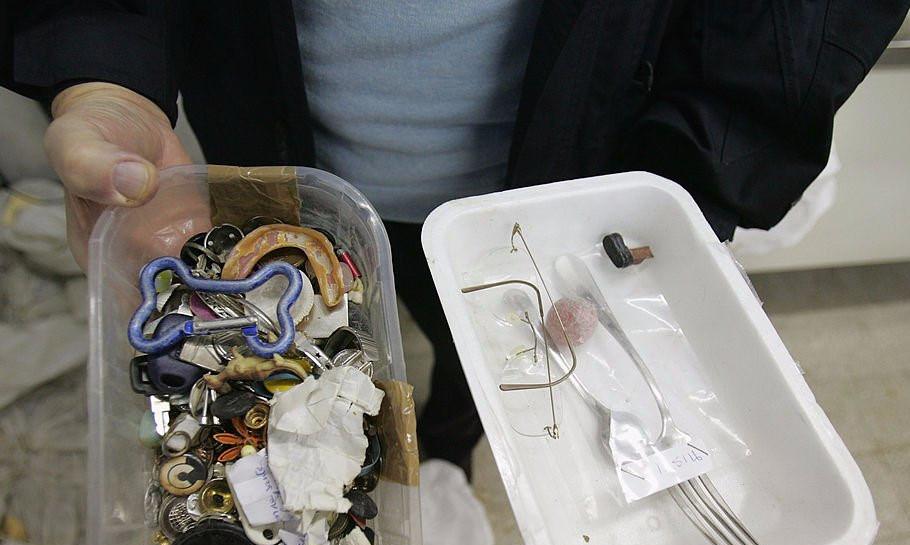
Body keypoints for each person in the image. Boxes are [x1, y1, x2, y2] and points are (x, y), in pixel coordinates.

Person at [2, 1, 907, 479]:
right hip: (290, 159)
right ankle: (356, 438)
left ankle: (449, 438)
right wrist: (100, 66)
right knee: (329, 341)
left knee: (490, 347)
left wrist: (689, 172)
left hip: (548, 176)